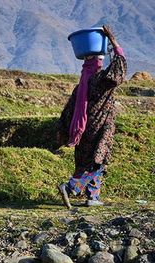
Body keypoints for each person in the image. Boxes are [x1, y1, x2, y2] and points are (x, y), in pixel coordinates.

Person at [57, 25, 127, 208]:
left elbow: (68, 112)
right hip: (101, 128)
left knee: (88, 163)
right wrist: (113, 41)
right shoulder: (100, 80)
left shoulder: (81, 86)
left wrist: (65, 133)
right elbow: (119, 70)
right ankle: (70, 186)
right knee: (97, 163)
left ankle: (93, 197)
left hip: (84, 130)